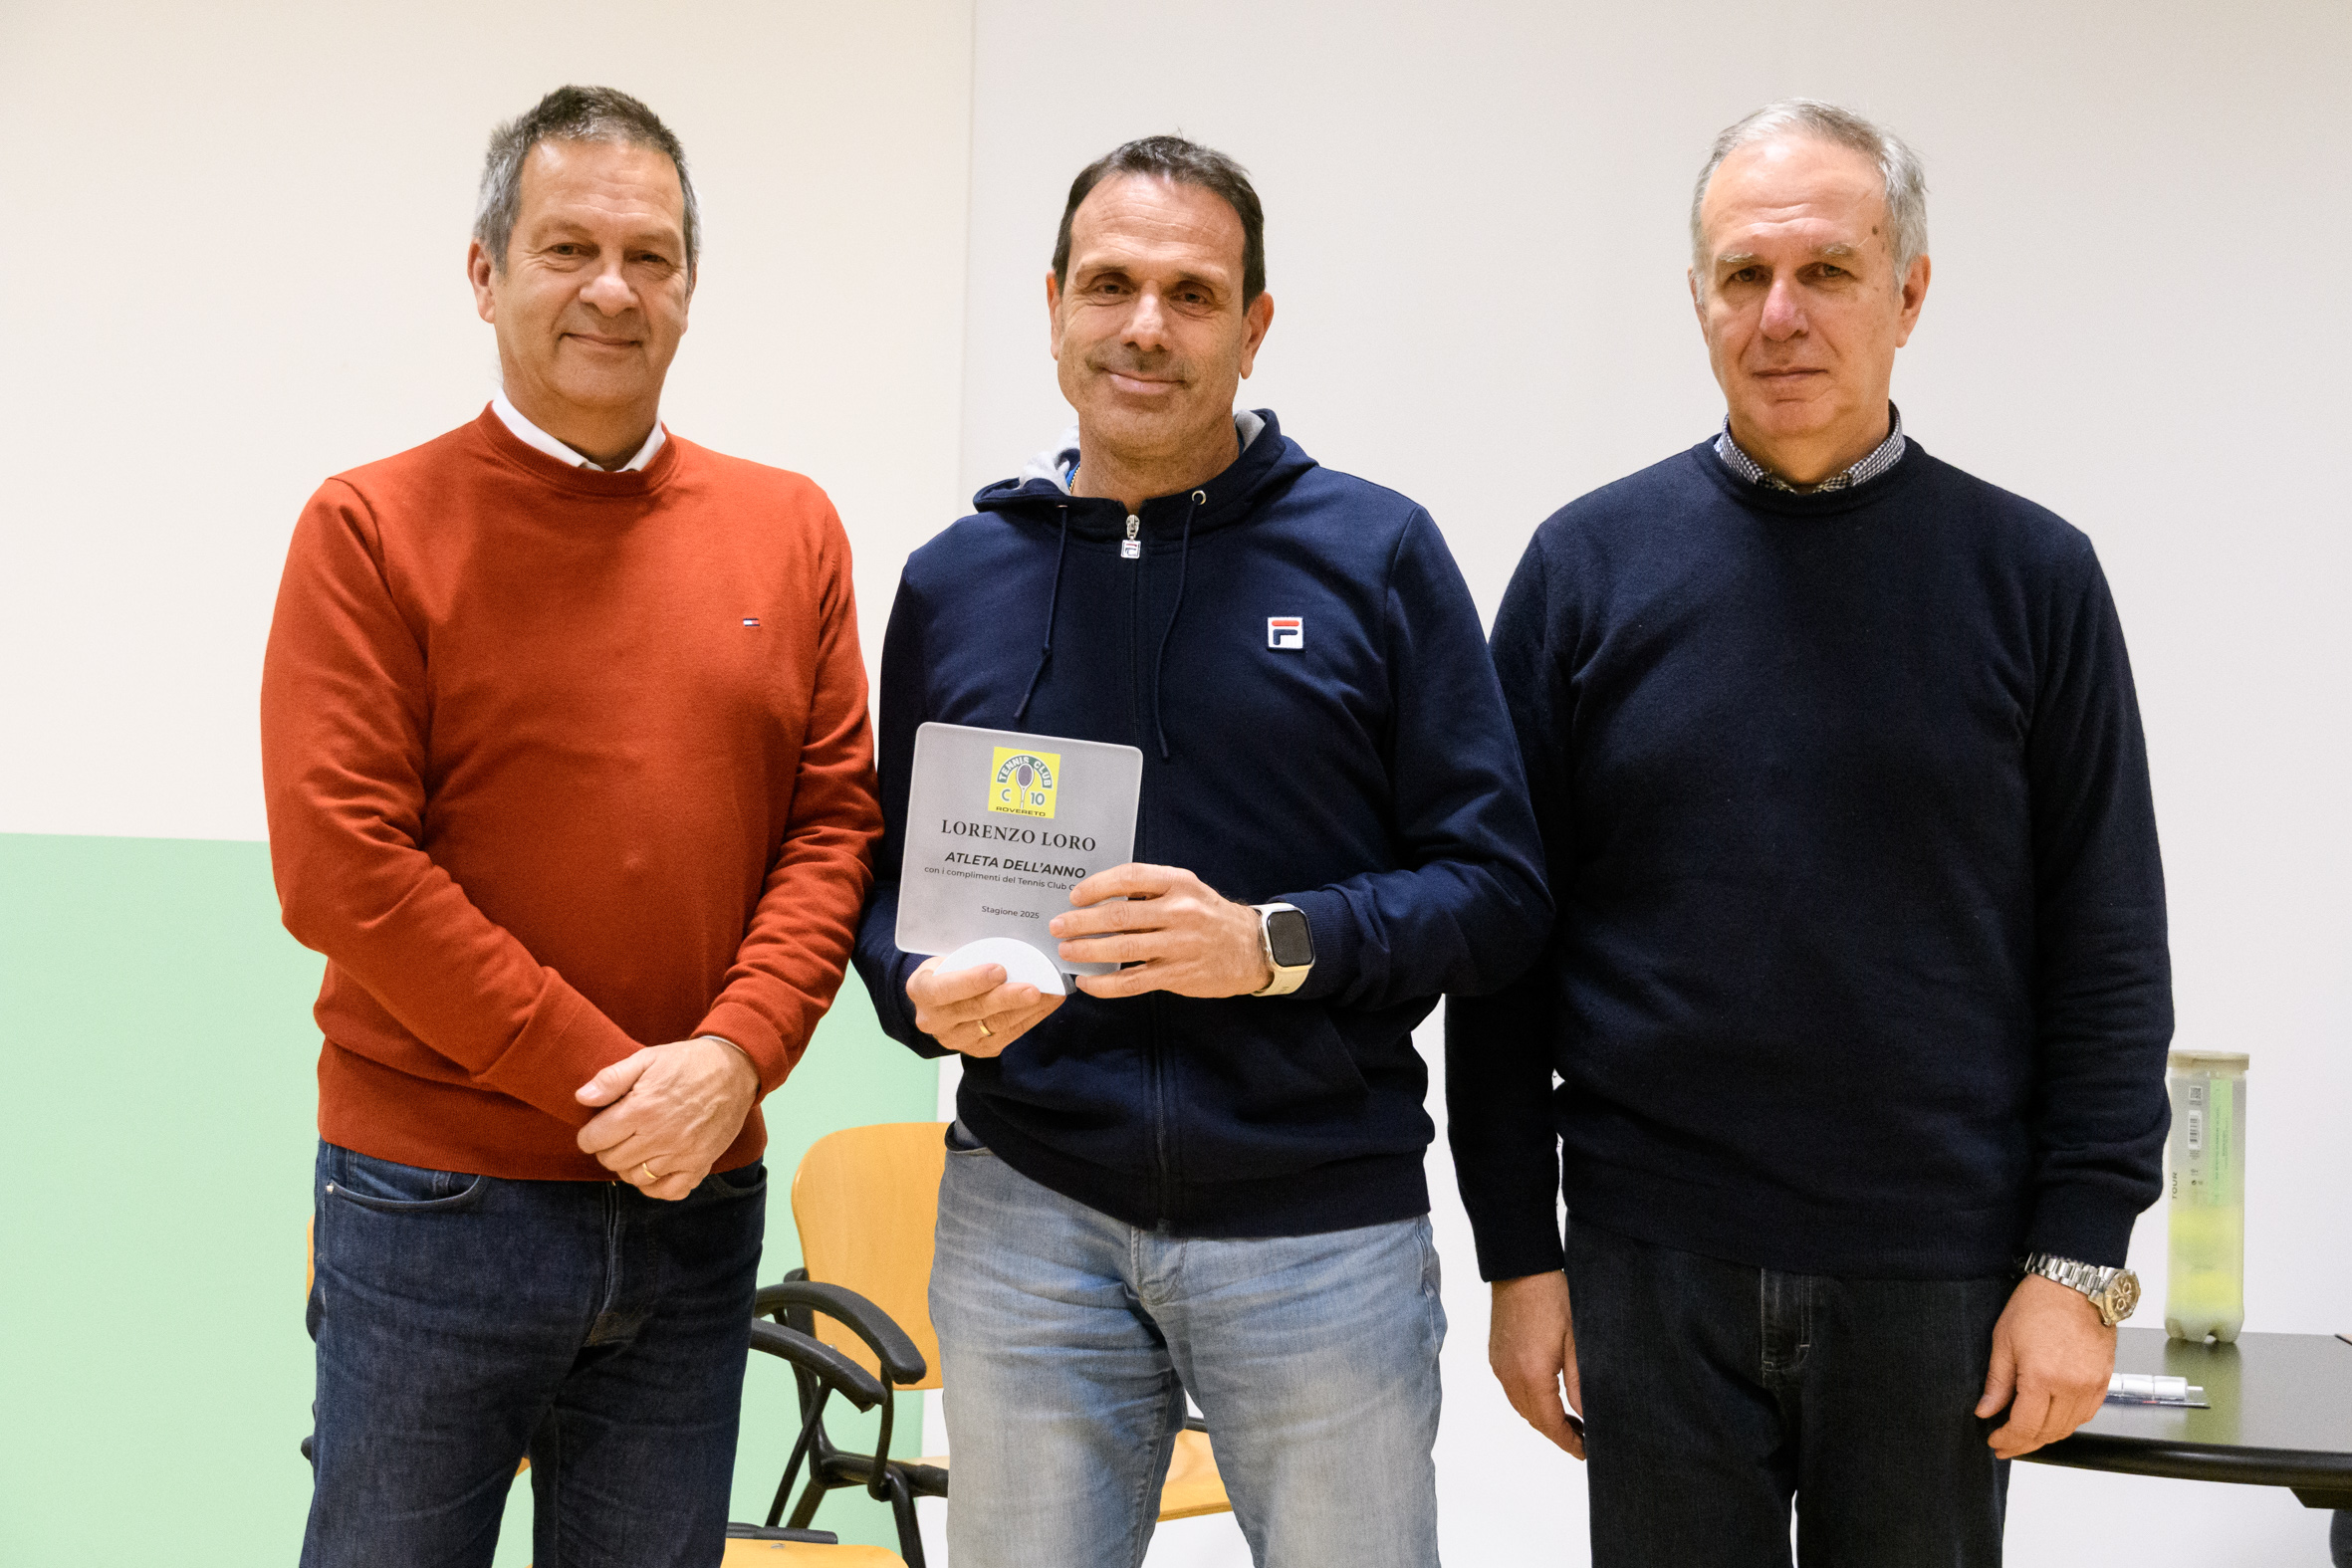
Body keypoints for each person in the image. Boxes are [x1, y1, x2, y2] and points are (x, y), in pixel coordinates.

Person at [1448, 100, 2172, 1566]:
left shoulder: (2033, 579)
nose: (1780, 315)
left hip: (1936, 1274)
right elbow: (1501, 950)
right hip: (1652, 1264)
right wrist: (1519, 1254)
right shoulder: (1583, 571)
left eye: (1827, 271)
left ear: (1909, 292)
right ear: (1699, 297)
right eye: (1743, 274)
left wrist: (2079, 1262)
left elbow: (2105, 947)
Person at [851, 134, 1549, 1568]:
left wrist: (1271, 945)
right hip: (1027, 1216)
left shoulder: (1373, 555)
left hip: (1316, 1233)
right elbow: (884, 885)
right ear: (1054, 304)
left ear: (1254, 325)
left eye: (1191, 292)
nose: (1145, 328)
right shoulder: (956, 580)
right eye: (1110, 284)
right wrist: (912, 988)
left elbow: (1495, 893)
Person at [262, 85, 881, 1567]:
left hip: (697, 1204)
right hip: (433, 1204)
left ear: (689, 287)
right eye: (568, 249)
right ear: (486, 274)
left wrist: (731, 1063)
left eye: (650, 256)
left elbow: (831, 827)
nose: (613, 288)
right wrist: (618, 1088)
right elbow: (346, 869)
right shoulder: (368, 528)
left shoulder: (790, 528)